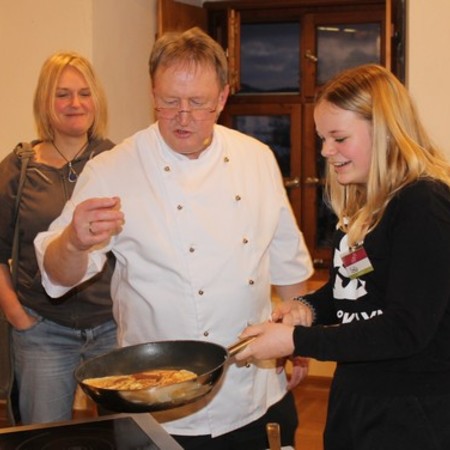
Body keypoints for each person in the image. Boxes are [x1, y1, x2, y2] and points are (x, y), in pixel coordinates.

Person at [33, 28, 314, 449]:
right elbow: (57, 277)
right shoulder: (113, 168)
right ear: (153, 94)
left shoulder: (256, 158)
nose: (183, 116)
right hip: (153, 399)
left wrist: (299, 341)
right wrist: (72, 242)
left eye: (198, 103)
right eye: (169, 102)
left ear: (222, 98)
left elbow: (288, 262)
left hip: (251, 388)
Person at [235, 64, 450, 450]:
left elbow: (405, 329)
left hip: (411, 414)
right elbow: (346, 292)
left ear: (384, 131)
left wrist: (296, 340)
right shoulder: (363, 204)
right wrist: (305, 308)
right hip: (359, 399)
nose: (325, 151)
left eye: (338, 137)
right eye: (322, 138)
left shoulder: (423, 204)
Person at [0, 51, 117, 425]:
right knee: (45, 439)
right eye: (62, 94)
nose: (75, 103)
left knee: (128, 435)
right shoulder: (18, 169)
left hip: (113, 329)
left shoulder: (117, 161)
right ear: (44, 103)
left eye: (84, 93)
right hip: (42, 332)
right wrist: (18, 317)